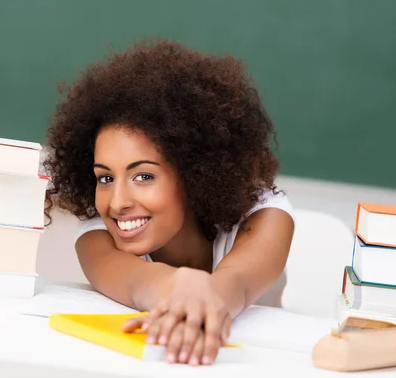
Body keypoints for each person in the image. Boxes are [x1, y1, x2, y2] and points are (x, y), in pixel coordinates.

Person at [43, 38, 295, 366]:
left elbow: (235, 286)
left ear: (195, 173)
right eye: (105, 178)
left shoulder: (265, 215)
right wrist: (179, 285)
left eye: (143, 176)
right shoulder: (96, 234)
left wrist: (197, 292)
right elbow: (139, 283)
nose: (117, 203)